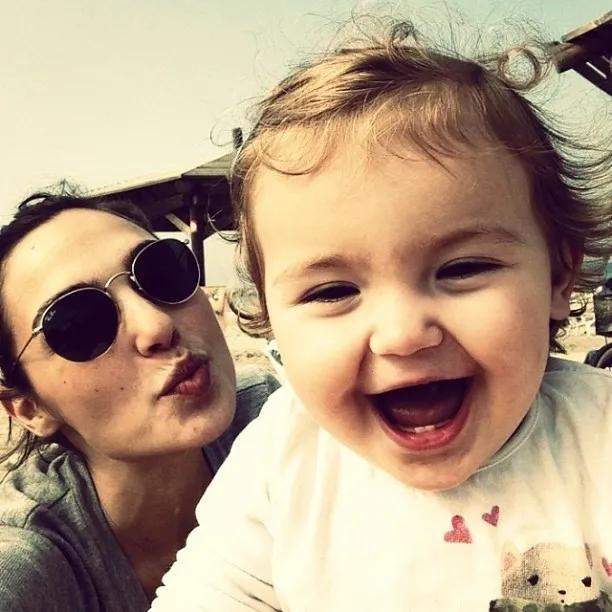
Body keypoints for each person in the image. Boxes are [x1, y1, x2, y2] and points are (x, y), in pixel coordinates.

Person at [151, 21, 612, 611]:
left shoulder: (598, 438)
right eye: (332, 292)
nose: (401, 334)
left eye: (463, 268)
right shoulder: (283, 462)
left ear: (557, 277)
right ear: (271, 319)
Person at [0, 191, 278, 611]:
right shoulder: (32, 560)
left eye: (162, 273)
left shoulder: (276, 423)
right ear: (29, 408)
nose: (157, 325)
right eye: (80, 323)